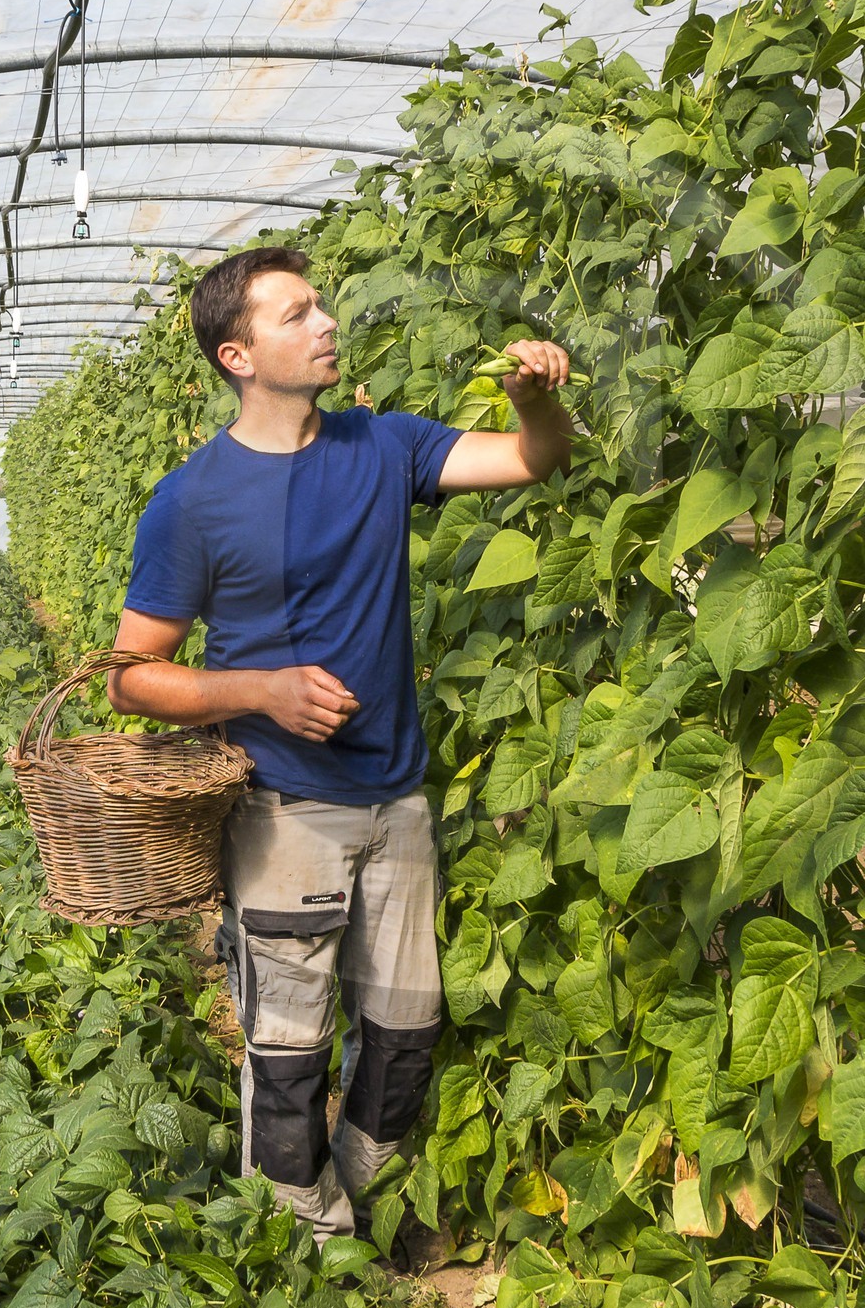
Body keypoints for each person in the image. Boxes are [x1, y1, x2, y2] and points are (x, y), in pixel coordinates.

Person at [106, 245, 575, 1253]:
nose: (324, 324)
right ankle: (301, 1249)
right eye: (295, 314)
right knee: (287, 1051)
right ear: (237, 354)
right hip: (283, 808)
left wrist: (534, 398)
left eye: (319, 306)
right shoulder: (192, 500)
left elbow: (532, 459)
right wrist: (258, 691)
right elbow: (131, 673)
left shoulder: (382, 446)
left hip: (393, 798)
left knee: (406, 1031)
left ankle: (365, 1195)